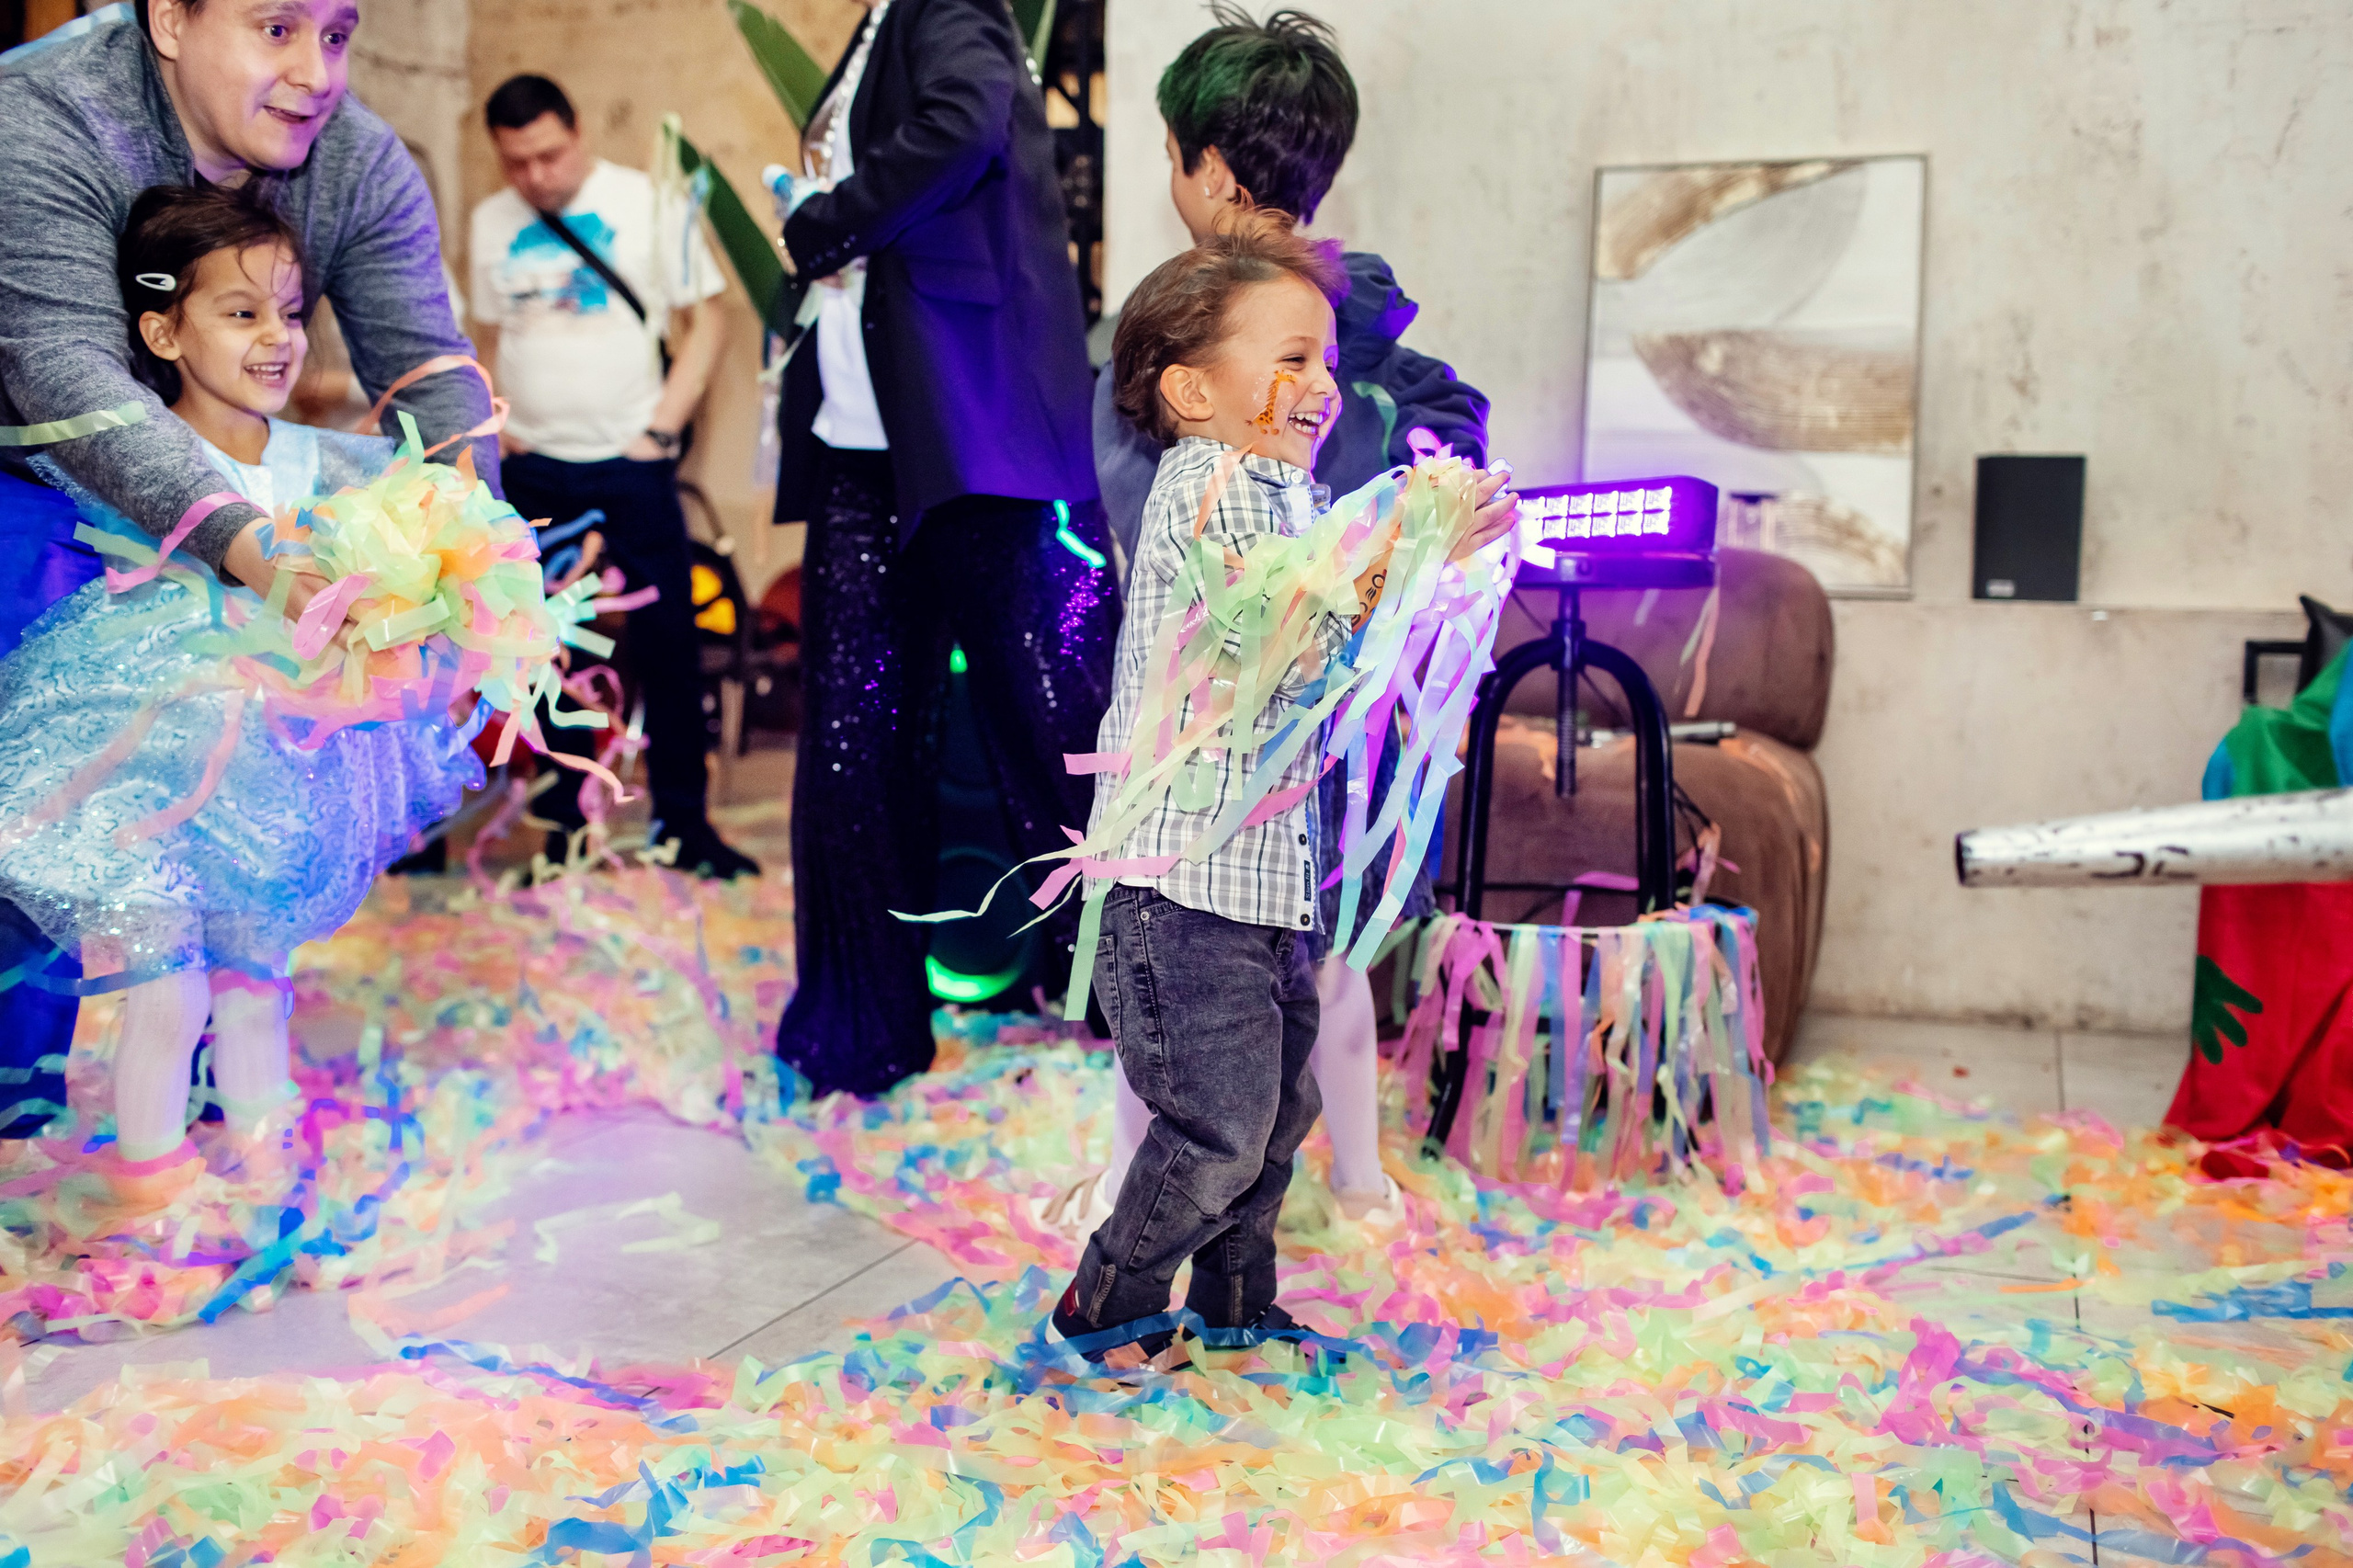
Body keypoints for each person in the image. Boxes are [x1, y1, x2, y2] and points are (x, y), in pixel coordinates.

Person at [0, 0, 496, 1143]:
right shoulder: (42, 113)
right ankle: (18, 1124)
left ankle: (224, 1102)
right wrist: (250, 545)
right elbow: (68, 374)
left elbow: (425, 366)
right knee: (50, 794)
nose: (313, 73)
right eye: (276, 29)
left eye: (336, 33)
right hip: (34, 472)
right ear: (169, 18)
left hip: (235, 504)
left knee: (258, 795)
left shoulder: (359, 159)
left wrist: (474, 557)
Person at [1052, 6, 1492, 1238]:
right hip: (1336, 703)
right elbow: (1442, 449)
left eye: (1171, 153)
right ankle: (1356, 1179)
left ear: (1206, 170)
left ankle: (1143, 1191)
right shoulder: (1352, 329)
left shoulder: (1192, 333)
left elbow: (1157, 535)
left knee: (1180, 980)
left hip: (1206, 729)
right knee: (1324, 945)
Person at [767, 0, 1117, 1098]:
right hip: (866, 446)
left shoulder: (947, 5)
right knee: (851, 742)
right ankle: (858, 1028)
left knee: (1055, 731)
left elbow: (964, 124)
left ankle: (1162, 1019)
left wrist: (826, 223)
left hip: (975, 436)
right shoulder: (878, 25)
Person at [471, 73, 754, 880]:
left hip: (630, 462)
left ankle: (685, 827)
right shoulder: (492, 220)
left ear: (580, 133)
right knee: (545, 650)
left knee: (668, 645)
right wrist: (497, 433)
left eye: (550, 156)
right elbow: (486, 338)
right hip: (532, 466)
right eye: (517, 163)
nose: (537, 177)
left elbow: (711, 321)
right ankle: (564, 833)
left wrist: (658, 429)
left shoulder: (645, 202)